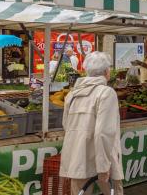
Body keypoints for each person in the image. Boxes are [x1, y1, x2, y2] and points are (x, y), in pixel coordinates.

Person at [60, 52, 124, 195]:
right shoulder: (106, 93)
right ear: (107, 72)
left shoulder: (72, 95)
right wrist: (103, 167)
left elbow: (67, 126)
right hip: (103, 160)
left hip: (78, 158)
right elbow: (104, 133)